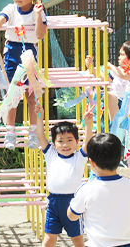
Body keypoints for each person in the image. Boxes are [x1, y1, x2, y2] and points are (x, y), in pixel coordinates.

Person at [0, 0, 47, 149]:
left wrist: (37, 15)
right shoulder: (10, 8)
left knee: (31, 96)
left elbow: (40, 35)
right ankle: (10, 132)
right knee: (12, 95)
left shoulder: (39, 10)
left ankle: (33, 133)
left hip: (29, 53)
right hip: (12, 52)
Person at [35, 103, 94, 247]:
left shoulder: (79, 157)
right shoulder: (51, 154)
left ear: (77, 142)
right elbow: (40, 135)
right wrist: (40, 117)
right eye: (60, 141)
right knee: (48, 240)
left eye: (69, 140)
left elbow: (88, 143)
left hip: (73, 202)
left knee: (77, 240)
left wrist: (88, 124)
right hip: (53, 203)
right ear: (54, 144)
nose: (65, 144)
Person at [68, 133, 130, 247]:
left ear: (92, 162)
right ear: (120, 158)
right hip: (127, 243)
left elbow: (72, 215)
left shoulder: (87, 189)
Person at [86, 40, 130, 122]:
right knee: (108, 95)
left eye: (122, 55)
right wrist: (91, 67)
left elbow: (123, 75)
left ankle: (117, 126)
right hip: (117, 102)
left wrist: (110, 65)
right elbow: (105, 78)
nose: (119, 57)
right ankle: (115, 125)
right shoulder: (117, 70)